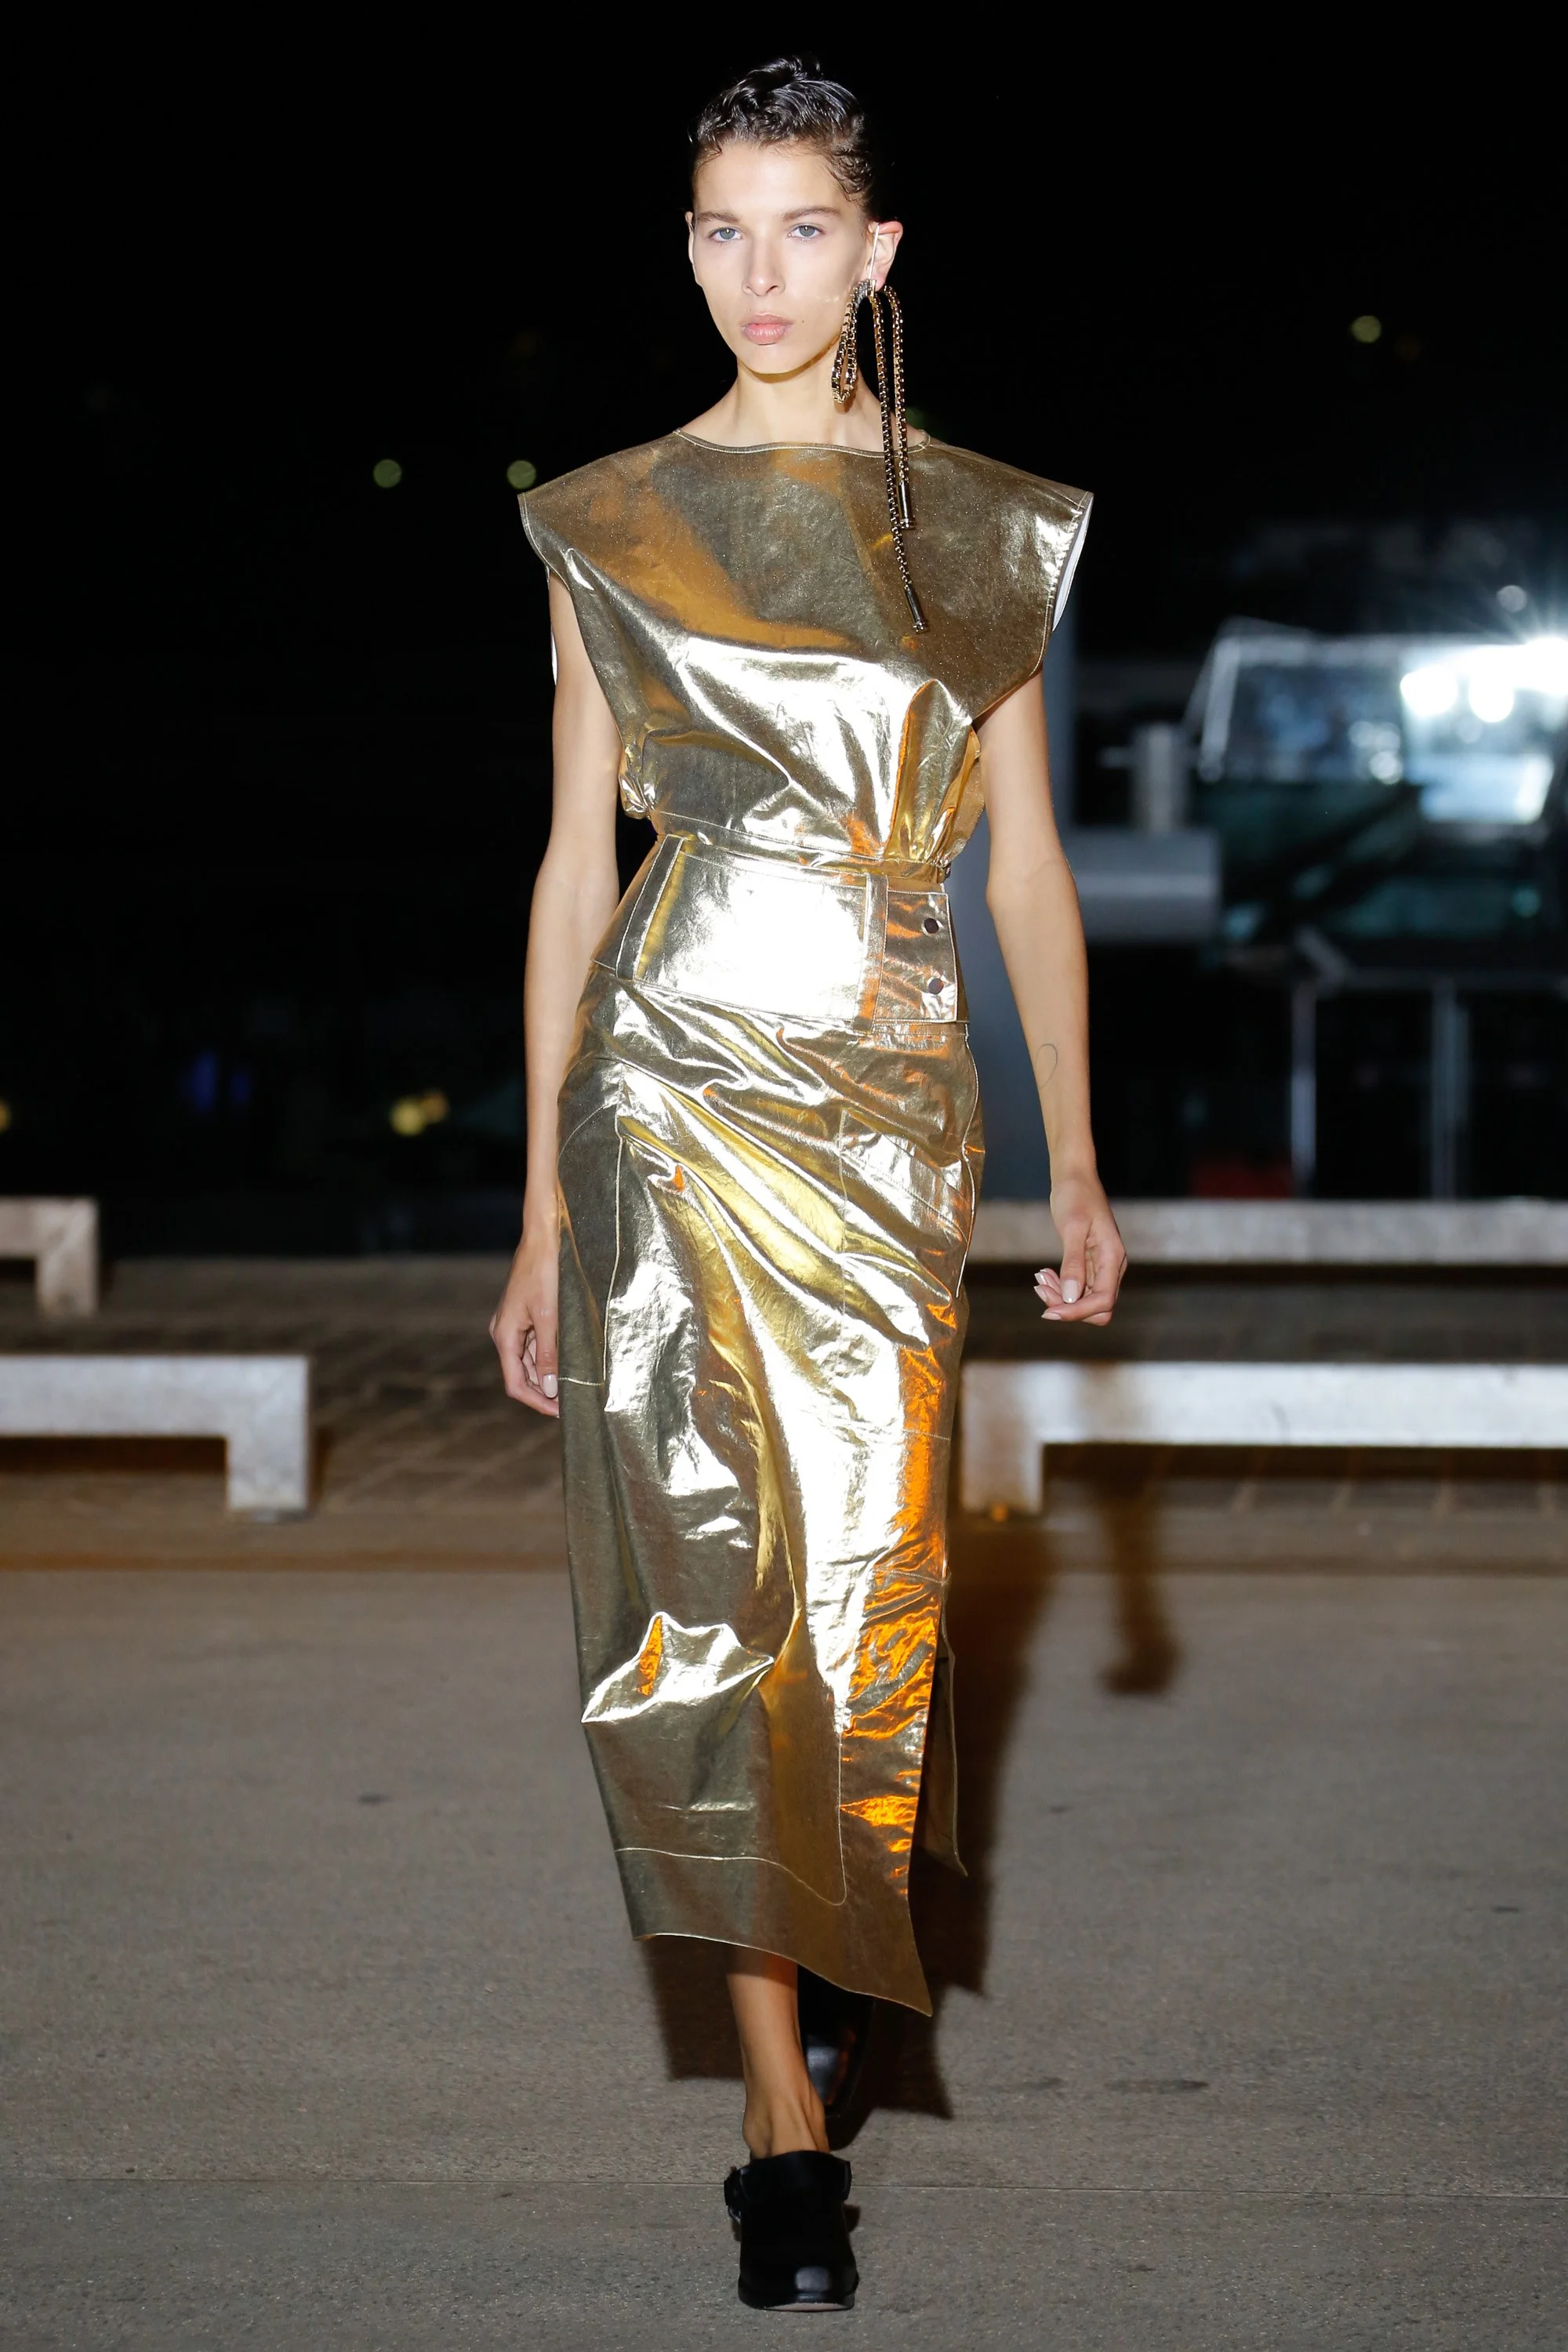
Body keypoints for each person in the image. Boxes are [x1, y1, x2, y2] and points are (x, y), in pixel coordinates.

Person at [491, 56, 1127, 2311]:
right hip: (666, 1089)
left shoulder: (983, 526)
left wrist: (1079, 1163)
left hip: (885, 1104)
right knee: (711, 1590)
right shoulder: (606, 518)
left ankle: (835, 1924)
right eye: (720, 229)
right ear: (688, 250)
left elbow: (1026, 867)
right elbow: (576, 869)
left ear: (876, 253)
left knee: (867, 1589)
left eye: (802, 230)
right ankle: (779, 2114)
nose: (759, 274)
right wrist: (538, 1206)